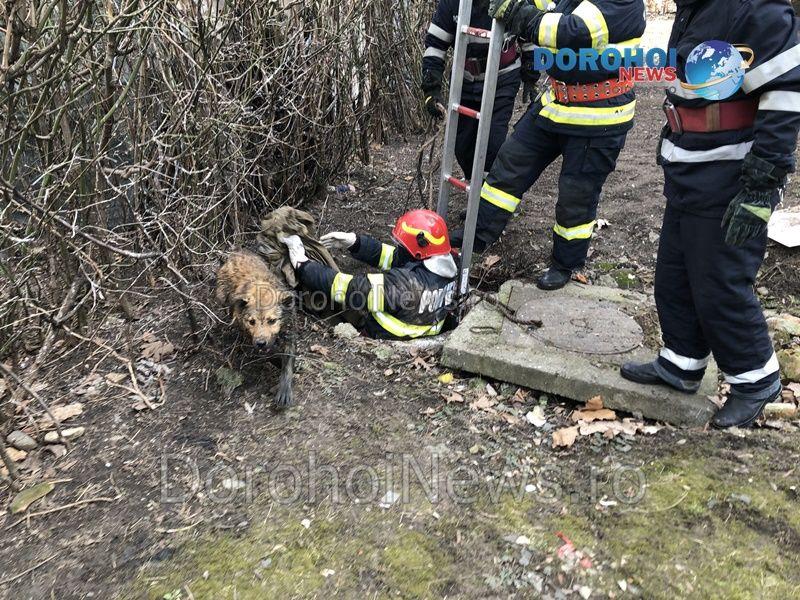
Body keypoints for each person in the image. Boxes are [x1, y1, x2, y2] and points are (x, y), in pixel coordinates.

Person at [621, 0, 800, 428]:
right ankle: (681, 362)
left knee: (719, 282)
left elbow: (786, 95)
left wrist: (761, 187)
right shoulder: (697, 7)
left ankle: (756, 380)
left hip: (730, 175)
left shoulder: (756, 10)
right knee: (674, 275)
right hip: (689, 166)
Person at [450, 0, 646, 291]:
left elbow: (573, 31)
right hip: (557, 101)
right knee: (510, 165)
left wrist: (517, 13)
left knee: (576, 197)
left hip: (599, 114)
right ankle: (477, 235)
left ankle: (566, 263)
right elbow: (547, 4)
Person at [281, 210, 458, 340]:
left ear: (419, 249)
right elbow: (394, 258)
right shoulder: (445, 266)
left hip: (386, 340)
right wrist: (355, 243)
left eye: (402, 245)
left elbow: (349, 288)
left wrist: (303, 265)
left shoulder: (402, 285)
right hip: (421, 333)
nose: (398, 248)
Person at [423, 0, 542, 179]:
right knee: (463, 146)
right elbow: (435, 46)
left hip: (503, 78)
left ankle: (488, 186)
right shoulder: (452, 4)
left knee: (493, 143)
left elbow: (531, 34)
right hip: (464, 80)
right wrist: (431, 91)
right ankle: (475, 181)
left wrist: (531, 77)